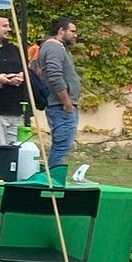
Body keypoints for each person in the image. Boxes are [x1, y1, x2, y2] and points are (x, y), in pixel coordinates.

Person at [35, 17, 83, 173]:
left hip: (62, 104)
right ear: (61, 30)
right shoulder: (53, 48)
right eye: (72, 31)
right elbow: (55, 75)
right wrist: (66, 101)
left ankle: (50, 176)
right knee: (62, 144)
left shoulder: (58, 48)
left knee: (63, 144)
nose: (75, 35)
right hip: (60, 105)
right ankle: (52, 179)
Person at [0, 13, 30, 145]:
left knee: (13, 152)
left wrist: (22, 75)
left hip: (16, 109)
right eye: (5, 26)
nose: (9, 29)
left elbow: (24, 68)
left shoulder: (14, 50)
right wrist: (5, 80)